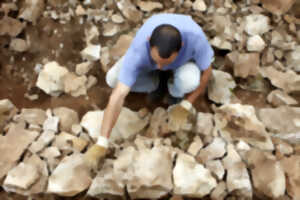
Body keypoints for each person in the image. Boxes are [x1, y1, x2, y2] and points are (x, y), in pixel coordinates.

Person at [84, 13, 214, 168]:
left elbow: (207, 72)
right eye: (156, 61)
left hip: (182, 65)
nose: (161, 67)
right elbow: (118, 96)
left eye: (165, 63)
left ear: (181, 49)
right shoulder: (140, 47)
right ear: (148, 43)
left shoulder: (195, 39)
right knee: (113, 79)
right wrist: (102, 141)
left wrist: (187, 104)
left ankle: (174, 90)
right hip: (148, 63)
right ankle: (156, 82)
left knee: (190, 81)